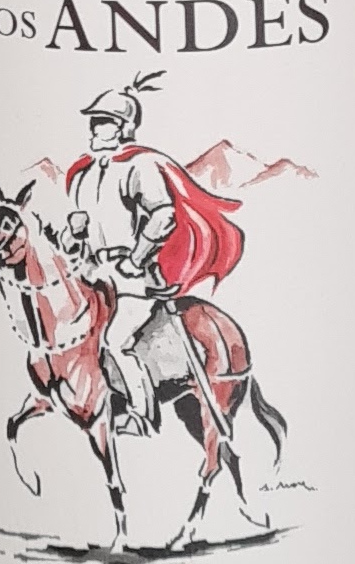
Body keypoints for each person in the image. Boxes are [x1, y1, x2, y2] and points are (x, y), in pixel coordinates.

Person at [63, 74, 243, 438]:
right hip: (91, 274)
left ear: (124, 127)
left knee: (116, 341)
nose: (95, 128)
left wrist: (136, 258)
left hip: (130, 277)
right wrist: (72, 234)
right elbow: (80, 229)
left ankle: (141, 414)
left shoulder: (139, 167)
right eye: (95, 121)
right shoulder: (83, 175)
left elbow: (163, 215)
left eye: (104, 121)